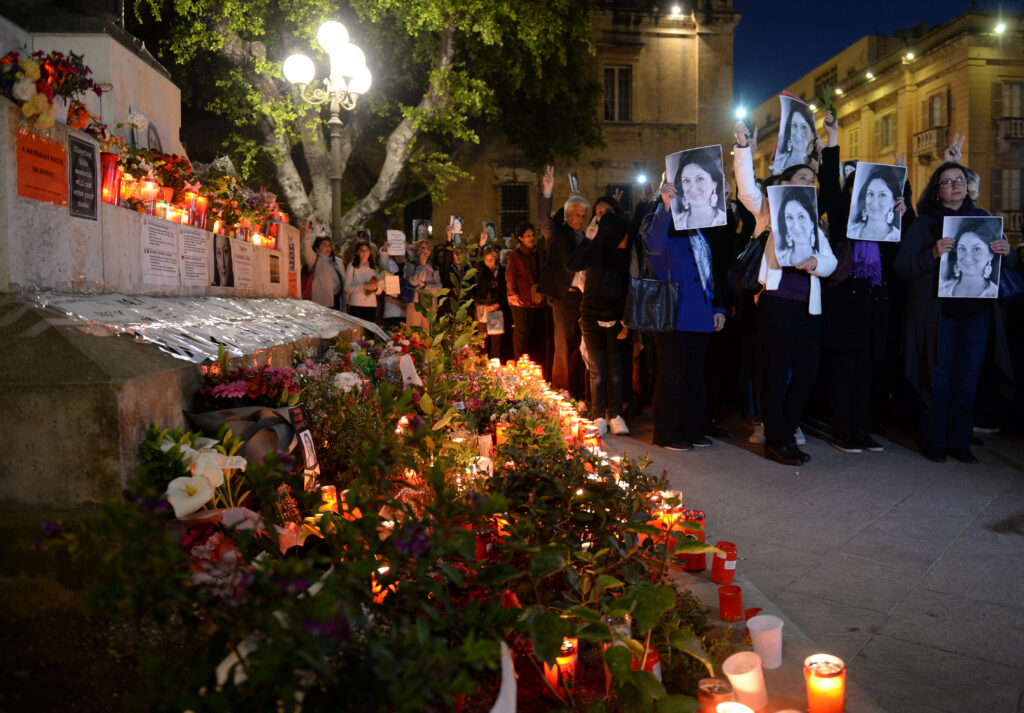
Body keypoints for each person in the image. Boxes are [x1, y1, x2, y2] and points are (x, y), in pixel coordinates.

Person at [895, 152, 1016, 464]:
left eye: (959, 180)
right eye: (947, 182)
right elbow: (903, 268)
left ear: (967, 186)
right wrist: (932, 254)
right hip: (939, 315)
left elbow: (1010, 262)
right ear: (938, 190)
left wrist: (1007, 250)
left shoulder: (984, 219)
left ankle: (960, 441)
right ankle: (935, 440)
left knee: (968, 377)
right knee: (939, 376)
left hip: (977, 315)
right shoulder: (924, 225)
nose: (955, 186)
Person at [734, 120, 838, 466]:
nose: (809, 185)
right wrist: (743, 148)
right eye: (803, 179)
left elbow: (831, 262)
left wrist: (815, 262)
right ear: (784, 184)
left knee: (807, 372)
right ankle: (776, 439)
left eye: (812, 180)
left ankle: (788, 430)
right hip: (776, 303)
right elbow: (747, 189)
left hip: (808, 307)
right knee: (775, 373)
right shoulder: (768, 211)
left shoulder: (813, 221)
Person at [643, 180, 727, 450]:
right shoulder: (657, 220)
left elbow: (709, 271)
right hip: (673, 311)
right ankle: (666, 432)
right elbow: (654, 246)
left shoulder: (699, 229)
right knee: (673, 373)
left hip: (701, 312)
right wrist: (664, 208)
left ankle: (692, 428)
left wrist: (717, 307)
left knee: (694, 375)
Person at [568, 209, 633, 435]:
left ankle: (615, 415)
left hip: (616, 320)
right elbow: (573, 263)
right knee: (597, 370)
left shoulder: (625, 257)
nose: (626, 238)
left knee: (615, 370)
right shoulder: (594, 251)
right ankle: (598, 416)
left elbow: (629, 289)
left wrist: (627, 320)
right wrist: (588, 238)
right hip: (591, 318)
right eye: (622, 234)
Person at [538, 165, 589, 397]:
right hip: (564, 296)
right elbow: (544, 221)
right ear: (567, 216)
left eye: (584, 215)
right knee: (563, 346)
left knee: (583, 347)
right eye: (577, 214)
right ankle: (562, 391)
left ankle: (581, 392)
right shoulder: (558, 234)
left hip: (585, 297)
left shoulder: (587, 236)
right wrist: (547, 192)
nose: (581, 218)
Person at [506, 222, 544, 360]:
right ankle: (518, 362)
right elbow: (510, 277)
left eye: (532, 235)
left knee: (527, 333)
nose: (531, 238)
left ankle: (525, 362)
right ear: (520, 238)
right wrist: (513, 295)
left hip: (531, 299)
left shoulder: (532, 254)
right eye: (528, 235)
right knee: (520, 332)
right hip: (519, 300)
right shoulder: (515, 255)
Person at [937, 218, 1001, 298]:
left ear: (991, 255)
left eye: (976, 249)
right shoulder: (941, 290)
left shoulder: (997, 294)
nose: (967, 258)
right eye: (962, 249)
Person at [671, 148, 727, 230]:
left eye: (700, 179)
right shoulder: (676, 223)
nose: (693, 189)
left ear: (714, 184)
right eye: (686, 181)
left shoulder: (724, 220)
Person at [847, 167, 903, 241]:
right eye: (870, 194)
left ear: (894, 202)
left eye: (882, 195)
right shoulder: (851, 232)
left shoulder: (898, 237)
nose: (874, 202)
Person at [475, 244, 510, 361]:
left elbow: (504, 290)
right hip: (483, 305)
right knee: (482, 339)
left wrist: (498, 304)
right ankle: (482, 363)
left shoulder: (501, 271)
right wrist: (480, 245)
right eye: (486, 260)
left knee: (496, 339)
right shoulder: (481, 271)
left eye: (491, 259)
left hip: (495, 306)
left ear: (496, 259)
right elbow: (477, 261)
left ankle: (495, 363)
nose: (488, 262)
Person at [773, 187, 823, 266]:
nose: (796, 225)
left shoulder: (824, 256)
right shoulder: (778, 260)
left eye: (801, 217)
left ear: (812, 222)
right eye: (789, 218)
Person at [300, 224, 345, 309]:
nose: (328, 248)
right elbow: (306, 249)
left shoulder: (333, 262)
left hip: (334, 303)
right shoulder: (314, 259)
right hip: (318, 305)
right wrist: (306, 233)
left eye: (329, 245)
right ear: (317, 248)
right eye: (325, 245)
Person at [404, 239, 441, 328]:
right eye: (421, 248)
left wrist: (425, 285)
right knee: (413, 336)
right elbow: (413, 281)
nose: (423, 251)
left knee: (427, 335)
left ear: (430, 251)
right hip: (414, 305)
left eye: (426, 248)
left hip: (430, 306)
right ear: (416, 251)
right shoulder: (411, 264)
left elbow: (439, 288)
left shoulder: (434, 267)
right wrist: (421, 266)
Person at [344, 240, 382, 323]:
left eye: (367, 250)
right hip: (356, 304)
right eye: (362, 250)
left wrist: (375, 288)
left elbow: (380, 290)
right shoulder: (352, 266)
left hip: (371, 305)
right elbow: (347, 287)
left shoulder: (374, 268)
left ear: (370, 252)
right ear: (357, 252)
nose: (364, 252)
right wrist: (364, 286)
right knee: (357, 332)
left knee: (369, 332)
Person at [773, 101, 815, 173]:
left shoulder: (815, 164)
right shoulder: (779, 162)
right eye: (794, 125)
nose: (798, 134)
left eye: (804, 127)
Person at [378, 244, 406, 330]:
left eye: (402, 253)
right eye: (397, 254)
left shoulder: (409, 265)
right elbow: (383, 260)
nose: (400, 256)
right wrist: (385, 249)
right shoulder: (389, 265)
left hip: (406, 311)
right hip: (391, 311)